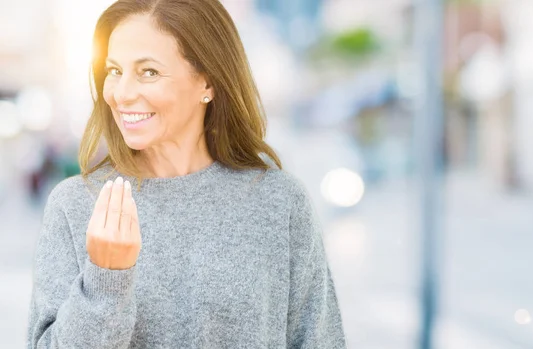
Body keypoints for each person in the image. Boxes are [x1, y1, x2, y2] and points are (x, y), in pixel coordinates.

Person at [26, 0, 347, 348]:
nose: (121, 93)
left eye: (148, 72)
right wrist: (105, 279)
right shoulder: (75, 205)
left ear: (207, 82)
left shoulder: (280, 203)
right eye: (115, 70)